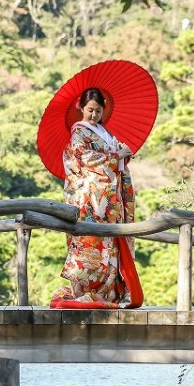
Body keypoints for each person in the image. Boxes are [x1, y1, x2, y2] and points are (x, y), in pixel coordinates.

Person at [50, 87, 144, 310]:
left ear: (103, 110)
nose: (94, 115)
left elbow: (114, 159)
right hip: (91, 199)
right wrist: (115, 156)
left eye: (98, 111)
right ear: (81, 108)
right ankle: (86, 291)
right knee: (91, 243)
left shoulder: (104, 132)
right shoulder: (79, 133)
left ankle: (108, 292)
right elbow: (83, 159)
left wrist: (123, 154)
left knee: (110, 245)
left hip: (110, 198)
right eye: (90, 110)